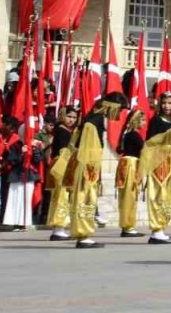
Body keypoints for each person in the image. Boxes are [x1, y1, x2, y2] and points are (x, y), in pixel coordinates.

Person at [68, 94, 126, 248]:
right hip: (88, 165)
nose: (118, 114)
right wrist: (93, 171)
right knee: (86, 198)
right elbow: (89, 148)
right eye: (119, 109)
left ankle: (83, 233)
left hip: (88, 163)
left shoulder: (92, 117)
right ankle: (83, 234)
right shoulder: (95, 120)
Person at [142, 93, 171, 245]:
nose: (167, 106)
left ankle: (162, 228)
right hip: (158, 161)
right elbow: (149, 142)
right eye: (164, 103)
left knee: (168, 196)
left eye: (170, 103)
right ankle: (156, 230)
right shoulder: (156, 120)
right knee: (157, 195)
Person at [2, 116, 42, 231]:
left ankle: (25, 222)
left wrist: (34, 151)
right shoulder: (15, 145)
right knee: (15, 199)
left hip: (29, 175)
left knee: (26, 199)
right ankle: (14, 222)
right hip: (17, 176)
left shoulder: (35, 145)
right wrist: (21, 153)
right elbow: (12, 160)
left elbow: (38, 160)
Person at [45, 107, 79, 240]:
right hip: (61, 164)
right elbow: (65, 151)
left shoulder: (61, 130)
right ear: (62, 116)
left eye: (74, 117)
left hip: (59, 164)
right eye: (69, 116)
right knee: (61, 196)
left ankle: (58, 228)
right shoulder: (62, 131)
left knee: (59, 195)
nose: (71, 120)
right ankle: (58, 228)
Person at [116, 110, 147, 237]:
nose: (145, 123)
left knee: (127, 196)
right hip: (131, 165)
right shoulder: (134, 134)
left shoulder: (127, 133)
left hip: (126, 164)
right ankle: (128, 226)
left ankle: (127, 225)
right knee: (130, 195)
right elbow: (144, 150)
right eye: (143, 120)